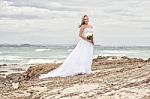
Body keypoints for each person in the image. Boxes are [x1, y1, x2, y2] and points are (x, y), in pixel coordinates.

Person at [39, 15, 94, 79]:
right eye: (85, 19)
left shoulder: (91, 26)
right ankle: (81, 69)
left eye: (87, 19)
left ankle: (87, 69)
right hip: (84, 42)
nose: (86, 20)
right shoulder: (82, 26)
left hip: (90, 43)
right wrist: (87, 40)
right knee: (82, 55)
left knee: (88, 55)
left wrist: (92, 41)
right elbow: (80, 35)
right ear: (83, 20)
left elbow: (91, 34)